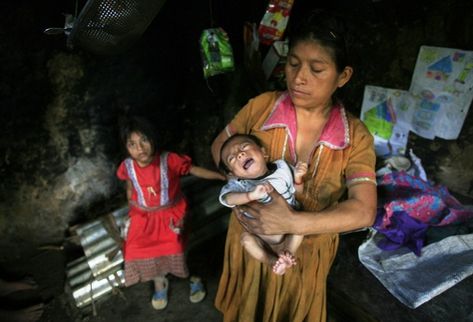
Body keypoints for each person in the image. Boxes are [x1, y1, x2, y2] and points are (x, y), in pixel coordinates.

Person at [211, 9, 377, 322]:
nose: (299, 78)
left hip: (303, 256)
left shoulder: (355, 137)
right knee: (248, 307)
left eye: (317, 69)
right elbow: (220, 145)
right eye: (293, 63)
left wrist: (292, 223)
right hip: (250, 240)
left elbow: (363, 210)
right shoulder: (262, 106)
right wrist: (240, 190)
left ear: (343, 76)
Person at [116, 116, 226, 310]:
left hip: (170, 213)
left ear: (153, 138)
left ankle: (194, 276)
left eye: (144, 140)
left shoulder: (169, 159)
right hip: (144, 215)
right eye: (132, 144)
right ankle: (159, 281)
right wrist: (131, 210)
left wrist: (220, 176)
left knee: (176, 247)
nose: (140, 148)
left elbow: (193, 170)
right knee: (135, 248)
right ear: (126, 147)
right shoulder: (128, 166)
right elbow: (129, 187)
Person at [218, 133, 308, 275]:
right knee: (246, 240)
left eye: (244, 147)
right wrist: (250, 195)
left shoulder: (282, 168)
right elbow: (228, 199)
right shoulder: (240, 185)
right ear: (233, 174)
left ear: (263, 152)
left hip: (290, 225)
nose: (240, 154)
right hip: (262, 235)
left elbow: (298, 193)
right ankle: (272, 261)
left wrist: (298, 178)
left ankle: (288, 253)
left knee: (304, 222)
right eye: (232, 158)